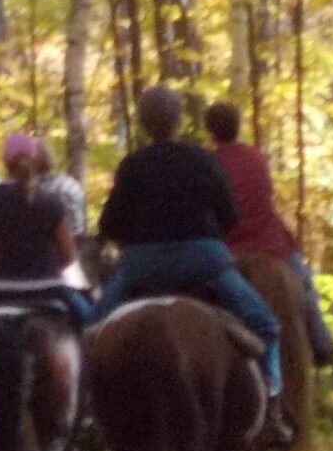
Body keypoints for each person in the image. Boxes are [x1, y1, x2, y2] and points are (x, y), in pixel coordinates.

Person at [92, 86, 286, 410]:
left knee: (92, 331)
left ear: (143, 124)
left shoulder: (132, 165)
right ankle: (272, 400)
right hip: (203, 262)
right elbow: (230, 215)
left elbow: (109, 225)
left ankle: (88, 410)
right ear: (179, 121)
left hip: (143, 266)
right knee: (265, 324)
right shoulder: (203, 160)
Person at [203, 100, 333, 370]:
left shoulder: (209, 163)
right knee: (302, 280)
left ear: (211, 131)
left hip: (228, 245)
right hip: (269, 241)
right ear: (237, 127)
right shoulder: (257, 157)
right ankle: (321, 341)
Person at [0, 132, 92, 325]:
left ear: (6, 161)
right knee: (91, 324)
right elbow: (69, 256)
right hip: (49, 289)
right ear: (34, 160)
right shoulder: (52, 202)